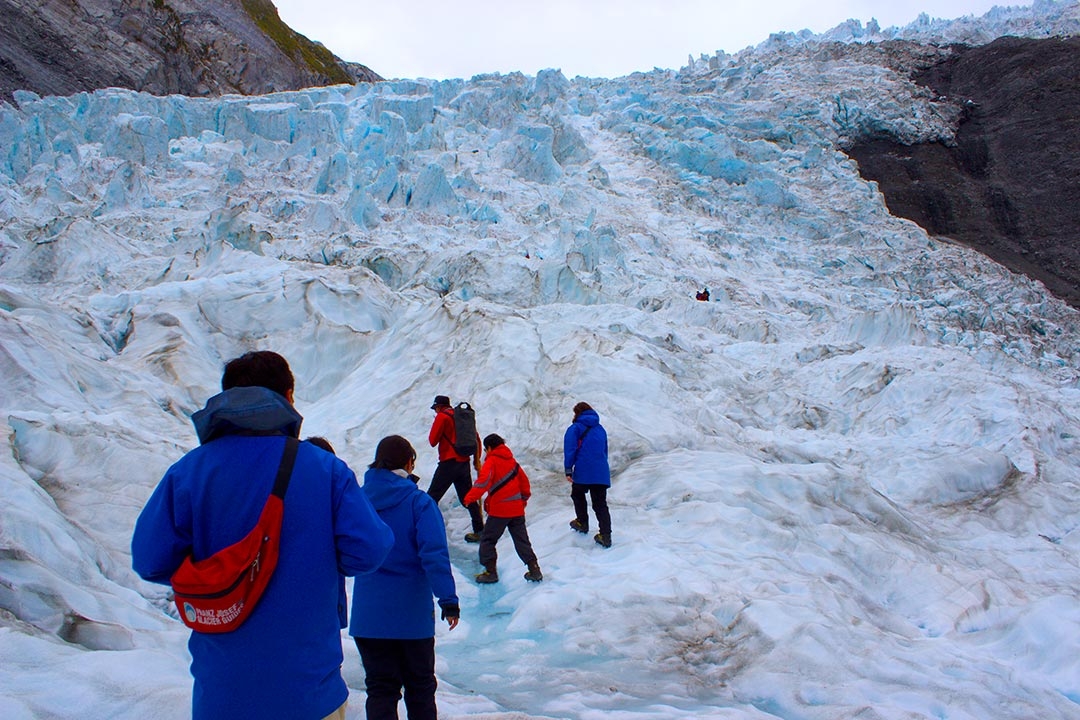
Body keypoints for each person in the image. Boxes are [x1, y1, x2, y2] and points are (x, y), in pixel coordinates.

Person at [132, 351, 394, 720]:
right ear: (288, 397)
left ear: (226, 397)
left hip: (221, 696)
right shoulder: (326, 470)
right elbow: (370, 551)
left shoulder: (189, 472)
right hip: (309, 693)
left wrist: (216, 568)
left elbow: (149, 560)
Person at [351, 435, 460, 720]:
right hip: (411, 620)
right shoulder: (418, 503)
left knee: (380, 690)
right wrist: (448, 600)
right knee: (420, 688)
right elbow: (433, 554)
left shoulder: (357, 500)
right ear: (409, 462)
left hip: (369, 618)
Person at [463, 434, 542, 584]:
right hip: (517, 510)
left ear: (490, 448)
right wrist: (522, 501)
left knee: (488, 540)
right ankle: (534, 569)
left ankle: (490, 572)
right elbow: (525, 485)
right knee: (522, 541)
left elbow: (483, 482)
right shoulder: (513, 462)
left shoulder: (491, 461)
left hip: (500, 510)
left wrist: (469, 498)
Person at [427, 395, 484, 542]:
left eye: (436, 409)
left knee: (431, 497)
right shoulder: (462, 417)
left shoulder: (442, 417)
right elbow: (476, 439)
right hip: (463, 462)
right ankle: (479, 529)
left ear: (439, 407)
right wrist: (476, 460)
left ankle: (426, 531)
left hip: (448, 463)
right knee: (468, 498)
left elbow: (432, 441)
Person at [563, 401, 613, 548]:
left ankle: (582, 522)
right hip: (601, 471)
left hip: (584, 470)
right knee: (600, 504)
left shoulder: (575, 428)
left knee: (577, 494)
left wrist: (568, 469)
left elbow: (570, 449)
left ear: (577, 413)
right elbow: (604, 451)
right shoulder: (600, 429)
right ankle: (606, 535)